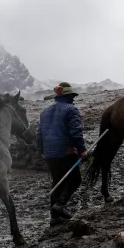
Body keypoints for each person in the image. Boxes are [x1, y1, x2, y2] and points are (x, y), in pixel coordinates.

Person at [37, 82, 87, 224]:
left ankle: (54, 217)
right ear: (68, 96)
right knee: (75, 180)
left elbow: (39, 134)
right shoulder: (71, 110)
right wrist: (82, 151)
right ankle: (60, 204)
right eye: (71, 96)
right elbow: (76, 132)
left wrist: (41, 151)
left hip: (50, 154)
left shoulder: (44, 112)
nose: (73, 99)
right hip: (66, 152)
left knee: (57, 182)